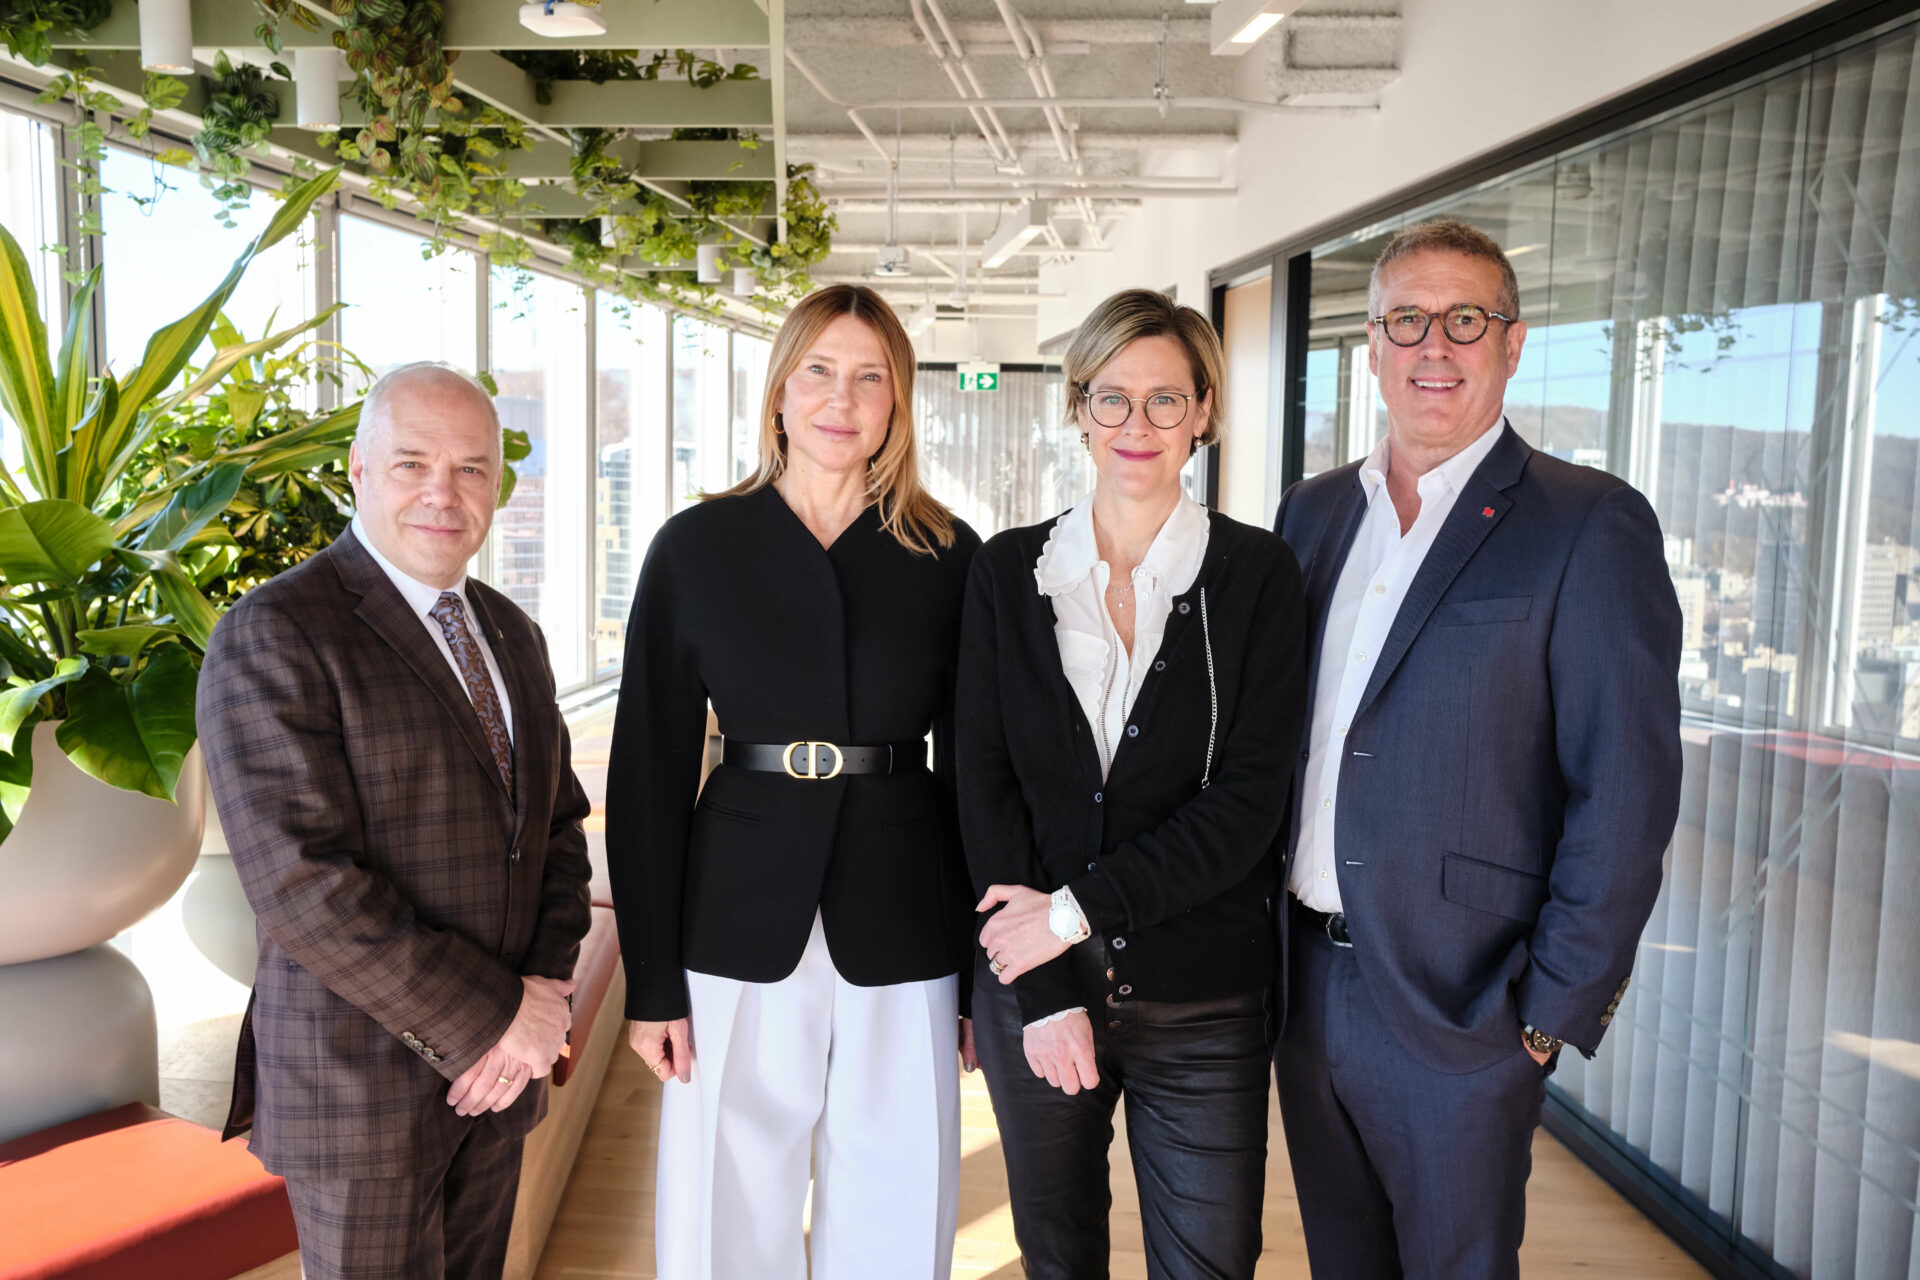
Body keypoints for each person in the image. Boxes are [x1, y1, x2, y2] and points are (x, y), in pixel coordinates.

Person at [1270, 218, 1683, 1279]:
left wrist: (1545, 1016)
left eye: (1465, 319)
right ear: (1371, 345)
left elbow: (1625, 791)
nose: (1433, 346)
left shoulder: (1588, 523)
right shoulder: (1312, 516)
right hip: (1305, 984)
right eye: (1406, 319)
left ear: (1513, 342)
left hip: (1468, 1009)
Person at [605, 284, 981, 1280]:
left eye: (870, 377)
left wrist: (984, 973)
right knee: (723, 1196)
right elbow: (646, 770)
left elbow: (980, 773)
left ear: (898, 402)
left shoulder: (948, 554)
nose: (841, 398)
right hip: (732, 905)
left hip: (904, 908)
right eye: (818, 369)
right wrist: (650, 979)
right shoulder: (696, 547)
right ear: (778, 390)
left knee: (898, 1190)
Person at [196, 363, 594, 1280]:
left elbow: (558, 831)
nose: (443, 495)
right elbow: (303, 886)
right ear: (360, 469)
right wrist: (500, 1018)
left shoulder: (509, 630)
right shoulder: (276, 631)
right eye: (413, 463)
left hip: (498, 1082)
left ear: (498, 484)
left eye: (472, 469)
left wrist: (539, 989)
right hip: (360, 1089)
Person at [958, 288, 1306, 1280]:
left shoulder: (1258, 575)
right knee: (1059, 1259)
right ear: (1078, 406)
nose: (1137, 425)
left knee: (1208, 1264)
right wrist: (1043, 985)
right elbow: (983, 784)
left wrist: (1069, 913)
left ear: (1203, 410)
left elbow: (1246, 806)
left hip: (1205, 999)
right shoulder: (1006, 572)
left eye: (1166, 399)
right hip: (1039, 987)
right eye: (1112, 398)